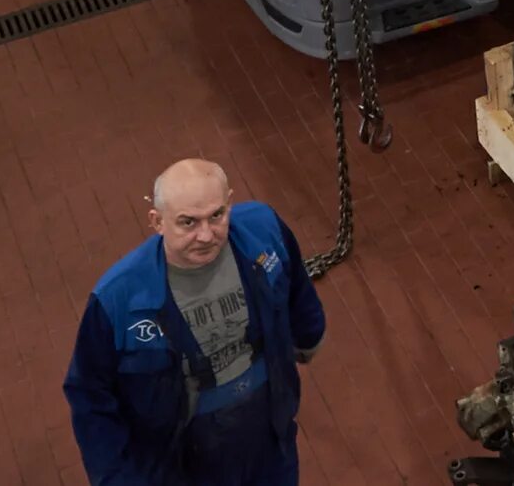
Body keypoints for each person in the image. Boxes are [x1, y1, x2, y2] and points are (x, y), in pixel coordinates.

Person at [65, 158, 327, 486]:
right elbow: (90, 395)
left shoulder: (264, 231)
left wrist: (309, 333)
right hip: (180, 463)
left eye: (217, 215)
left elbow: (296, 287)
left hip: (269, 439)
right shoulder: (118, 299)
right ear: (157, 221)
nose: (206, 235)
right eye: (188, 222)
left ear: (230, 202)